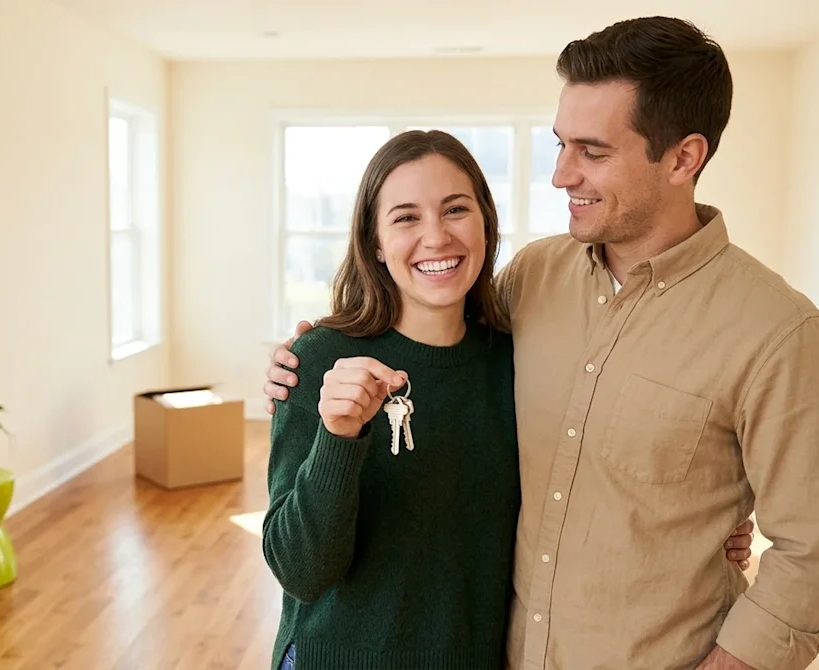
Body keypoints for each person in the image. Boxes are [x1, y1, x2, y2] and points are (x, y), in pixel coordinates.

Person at [263, 15, 819, 670]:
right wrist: (312, 359)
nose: (560, 176)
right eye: (559, 145)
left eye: (593, 152)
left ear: (684, 158)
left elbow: (816, 555)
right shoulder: (533, 282)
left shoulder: (779, 334)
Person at [261, 129, 753, 670]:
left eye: (455, 209)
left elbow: (574, 479)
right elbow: (301, 571)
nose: (435, 237)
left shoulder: (517, 358)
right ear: (375, 242)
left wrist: (707, 527)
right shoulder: (319, 361)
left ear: (485, 223)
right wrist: (337, 437)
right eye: (405, 217)